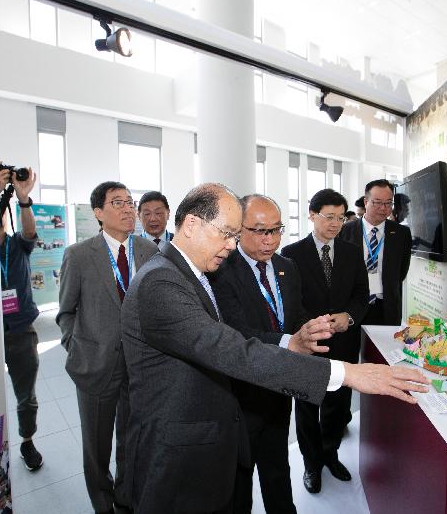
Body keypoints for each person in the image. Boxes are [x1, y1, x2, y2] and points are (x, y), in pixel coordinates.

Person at [121, 183, 429, 513]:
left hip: (215, 430)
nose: (230, 245)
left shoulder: (188, 273)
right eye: (227, 233)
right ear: (193, 224)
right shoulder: (162, 281)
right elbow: (231, 349)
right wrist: (348, 373)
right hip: (179, 450)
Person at [211, 194, 326, 513]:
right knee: (240, 476)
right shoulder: (221, 269)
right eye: (260, 231)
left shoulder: (287, 266)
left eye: (276, 230)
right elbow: (235, 332)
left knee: (277, 467)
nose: (270, 239)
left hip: (279, 387)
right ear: (237, 229)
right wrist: (293, 341)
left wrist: (312, 328)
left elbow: (296, 313)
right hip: (240, 392)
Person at [57, 181, 158, 514]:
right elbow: (66, 312)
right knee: (97, 447)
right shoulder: (79, 255)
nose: (129, 208)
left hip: (140, 365)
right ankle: (102, 503)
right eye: (118, 203)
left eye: (130, 202)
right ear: (98, 213)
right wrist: (76, 348)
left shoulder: (149, 252)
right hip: (95, 364)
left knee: (131, 440)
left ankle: (126, 498)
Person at [281, 188, 370, 494]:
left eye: (340, 217)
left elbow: (361, 296)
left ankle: (330, 454)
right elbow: (290, 303)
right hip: (308, 344)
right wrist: (312, 325)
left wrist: (350, 316)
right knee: (307, 406)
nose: (335, 224)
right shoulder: (291, 254)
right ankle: (311, 463)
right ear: (312, 215)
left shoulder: (352, 251)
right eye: (328, 217)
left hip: (343, 343)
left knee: (337, 404)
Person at [0, 162, 44, 472]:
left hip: (19, 331)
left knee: (26, 396)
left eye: (1, 213)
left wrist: (22, 198)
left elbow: (29, 231)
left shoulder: (16, 246)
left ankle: (27, 441)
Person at [339, 179, 412, 327]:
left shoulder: (401, 233)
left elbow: (401, 270)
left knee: (384, 348)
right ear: (366, 202)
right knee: (350, 349)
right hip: (351, 306)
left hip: (386, 306)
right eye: (377, 202)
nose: (383, 208)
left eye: (388, 203)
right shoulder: (345, 230)